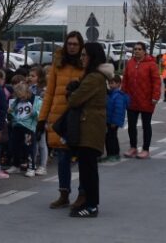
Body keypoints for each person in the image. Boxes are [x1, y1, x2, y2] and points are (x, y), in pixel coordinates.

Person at [39, 31, 85, 209]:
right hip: (60, 119)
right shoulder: (57, 66)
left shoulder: (84, 67)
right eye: (69, 43)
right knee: (63, 158)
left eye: (75, 44)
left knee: (82, 158)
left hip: (78, 117)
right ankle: (64, 193)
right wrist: (42, 119)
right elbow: (49, 94)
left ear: (80, 46)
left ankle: (82, 194)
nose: (72, 47)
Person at [67, 42, 113, 217]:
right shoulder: (93, 76)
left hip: (90, 127)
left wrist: (72, 92)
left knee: (89, 169)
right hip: (89, 125)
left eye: (85, 54)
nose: (82, 57)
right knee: (86, 168)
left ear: (93, 57)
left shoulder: (94, 78)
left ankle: (92, 205)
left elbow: (75, 100)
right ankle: (88, 202)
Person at [121, 41, 161, 159]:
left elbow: (156, 82)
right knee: (132, 125)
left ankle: (145, 149)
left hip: (147, 100)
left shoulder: (151, 64)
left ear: (144, 51)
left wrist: (155, 96)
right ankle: (133, 147)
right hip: (132, 100)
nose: (137, 51)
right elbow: (125, 80)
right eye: (135, 49)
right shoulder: (130, 63)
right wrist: (123, 94)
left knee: (146, 125)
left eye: (139, 49)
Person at [6, 82, 41, 177]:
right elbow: (12, 111)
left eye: (21, 96)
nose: (20, 98)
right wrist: (10, 113)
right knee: (15, 146)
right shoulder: (17, 101)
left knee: (29, 148)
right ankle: (16, 165)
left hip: (28, 128)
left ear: (27, 92)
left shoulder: (35, 100)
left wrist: (35, 112)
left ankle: (31, 167)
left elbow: (39, 114)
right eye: (18, 96)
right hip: (17, 126)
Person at [104, 75, 129, 162]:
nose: (110, 85)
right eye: (109, 83)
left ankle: (114, 153)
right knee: (108, 137)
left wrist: (114, 121)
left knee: (112, 137)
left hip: (113, 121)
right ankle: (110, 154)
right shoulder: (111, 94)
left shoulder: (118, 95)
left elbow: (118, 110)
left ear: (118, 84)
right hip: (109, 120)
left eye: (112, 83)